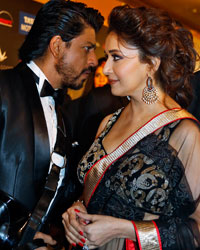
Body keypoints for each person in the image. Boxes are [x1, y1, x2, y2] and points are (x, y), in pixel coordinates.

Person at [62, 5, 200, 250]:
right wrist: (76, 211)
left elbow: (195, 231)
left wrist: (124, 229)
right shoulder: (108, 122)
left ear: (152, 64)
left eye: (117, 57)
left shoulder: (184, 133)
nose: (104, 68)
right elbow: (94, 192)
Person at [0, 0, 103, 249]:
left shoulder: (63, 116)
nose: (93, 61)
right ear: (57, 46)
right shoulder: (3, 88)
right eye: (87, 48)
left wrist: (75, 207)